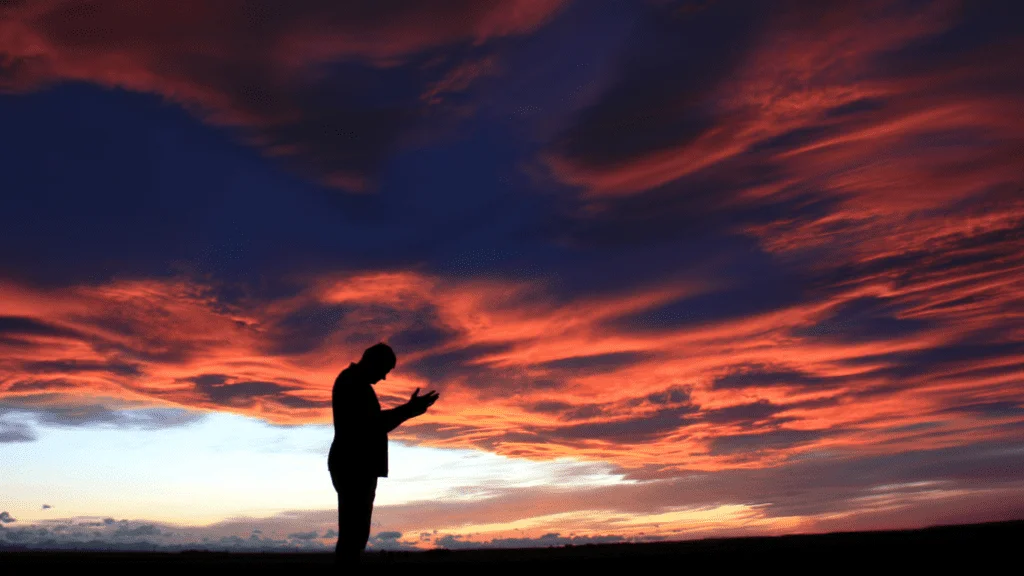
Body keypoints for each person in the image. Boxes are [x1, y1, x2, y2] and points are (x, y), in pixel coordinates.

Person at [328, 342, 439, 567]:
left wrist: (409, 410)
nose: (384, 378)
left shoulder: (354, 383)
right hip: (354, 466)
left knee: (355, 532)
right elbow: (372, 425)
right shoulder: (353, 384)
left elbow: (372, 424)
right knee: (354, 533)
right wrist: (409, 410)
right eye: (385, 370)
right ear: (373, 363)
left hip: (355, 465)